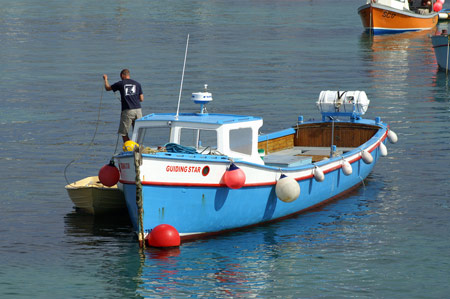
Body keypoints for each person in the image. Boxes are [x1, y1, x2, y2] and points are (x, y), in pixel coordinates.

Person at [103, 69, 144, 142]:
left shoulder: (120, 83)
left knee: (124, 133)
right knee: (138, 131)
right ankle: (137, 149)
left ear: (122, 75)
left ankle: (129, 149)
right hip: (138, 110)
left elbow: (107, 88)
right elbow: (141, 99)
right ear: (128, 75)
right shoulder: (137, 84)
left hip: (128, 110)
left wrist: (105, 79)